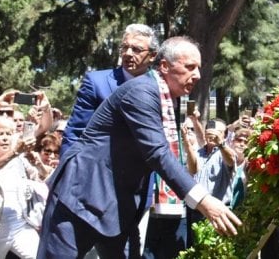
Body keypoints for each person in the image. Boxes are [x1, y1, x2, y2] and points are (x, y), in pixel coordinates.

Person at [36, 36, 242, 259]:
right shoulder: (142, 92)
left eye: (198, 68)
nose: (198, 75)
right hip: (80, 197)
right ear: (164, 66)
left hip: (119, 207)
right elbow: (157, 152)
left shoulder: (166, 99)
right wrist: (203, 200)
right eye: (190, 67)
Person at [60, 23, 159, 156]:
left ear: (152, 55)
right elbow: (75, 133)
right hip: (102, 170)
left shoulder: (161, 88)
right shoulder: (96, 83)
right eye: (124, 47)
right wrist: (68, 171)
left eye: (136, 49)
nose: (128, 54)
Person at [0, 116, 41, 259]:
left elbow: (42, 128)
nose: (5, 138)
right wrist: (14, 152)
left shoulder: (20, 159)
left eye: (8, 134)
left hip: (20, 225)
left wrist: (37, 114)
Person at [182, 118, 235, 248]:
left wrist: (221, 144)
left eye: (217, 133)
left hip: (218, 213)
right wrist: (188, 145)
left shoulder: (225, 152)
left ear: (225, 135)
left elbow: (231, 160)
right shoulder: (198, 152)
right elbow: (193, 169)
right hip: (196, 212)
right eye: (210, 132)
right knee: (195, 250)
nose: (213, 136)